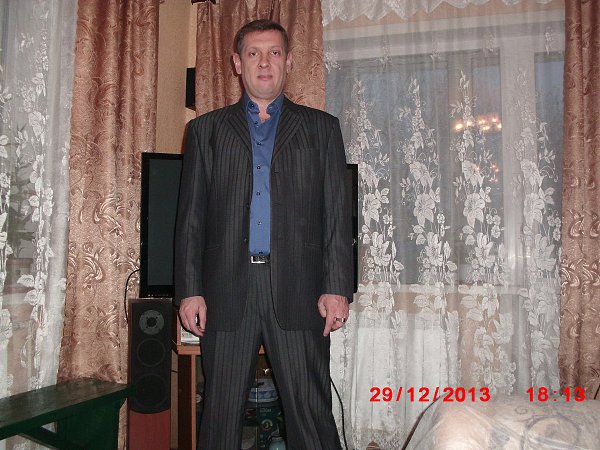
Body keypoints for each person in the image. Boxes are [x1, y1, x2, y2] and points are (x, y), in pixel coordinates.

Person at [174, 19, 353, 449]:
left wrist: (337, 287)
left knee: (311, 415)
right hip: (226, 292)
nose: (264, 62)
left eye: (274, 52)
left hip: (299, 290)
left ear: (288, 62)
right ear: (238, 63)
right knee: (219, 418)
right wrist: (190, 291)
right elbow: (191, 219)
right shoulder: (205, 131)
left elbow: (336, 214)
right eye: (253, 53)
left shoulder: (322, 129)